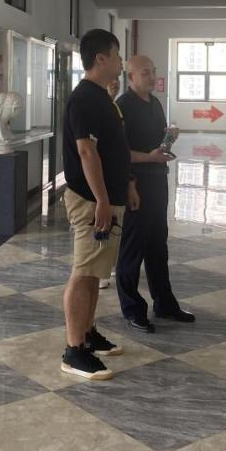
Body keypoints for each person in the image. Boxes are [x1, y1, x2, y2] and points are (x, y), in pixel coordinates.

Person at [60, 29, 139, 381]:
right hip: (92, 200)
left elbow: (112, 147)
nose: (121, 62)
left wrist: (127, 184)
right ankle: (74, 349)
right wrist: (103, 200)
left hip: (108, 197)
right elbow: (86, 151)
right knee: (84, 271)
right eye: (118, 56)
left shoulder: (102, 97)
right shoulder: (85, 99)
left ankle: (88, 333)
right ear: (101, 58)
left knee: (95, 271)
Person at [116, 56, 195, 332]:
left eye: (153, 71)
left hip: (158, 181)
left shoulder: (155, 103)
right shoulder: (123, 106)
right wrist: (132, 181)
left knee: (158, 246)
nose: (152, 77)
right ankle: (132, 309)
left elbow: (155, 146)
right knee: (132, 248)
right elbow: (118, 153)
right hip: (136, 185)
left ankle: (164, 304)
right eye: (145, 73)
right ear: (131, 77)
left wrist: (168, 139)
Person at [98, 78, 121, 290]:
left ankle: (111, 264)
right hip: (101, 176)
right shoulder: (95, 106)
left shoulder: (115, 106)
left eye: (117, 81)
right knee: (103, 224)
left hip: (115, 176)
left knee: (115, 223)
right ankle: (100, 272)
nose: (115, 84)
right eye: (111, 81)